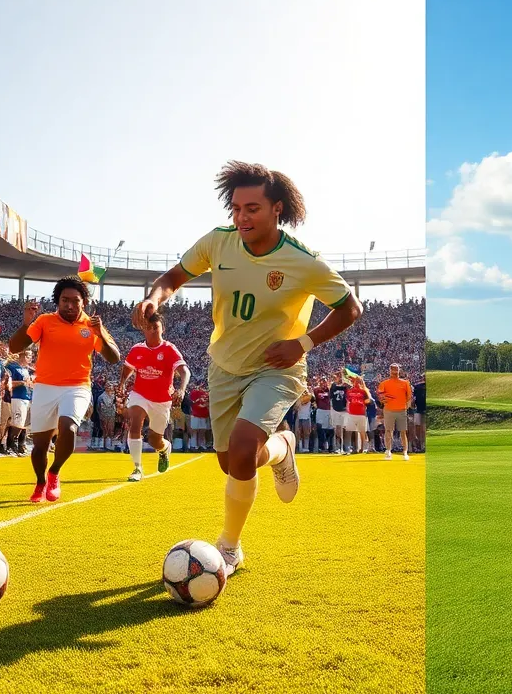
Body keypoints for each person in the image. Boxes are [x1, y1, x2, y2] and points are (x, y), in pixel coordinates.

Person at [133, 160, 361, 576]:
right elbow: (174, 275)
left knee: (240, 451)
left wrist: (303, 342)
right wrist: (155, 299)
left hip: (277, 368)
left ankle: (230, 548)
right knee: (233, 462)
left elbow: (350, 308)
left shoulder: (304, 260)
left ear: (277, 208)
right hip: (224, 365)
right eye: (236, 209)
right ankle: (282, 449)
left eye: (252, 208)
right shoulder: (218, 242)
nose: (241, 217)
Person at [10, 277, 121, 502]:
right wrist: (26, 323)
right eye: (64, 300)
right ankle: (41, 482)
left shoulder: (92, 325)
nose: (69, 305)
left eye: (75, 301)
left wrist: (100, 334)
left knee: (68, 427)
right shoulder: (44, 321)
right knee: (39, 446)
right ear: (57, 301)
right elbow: (14, 347)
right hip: (45, 387)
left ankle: (54, 472)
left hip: (77, 386)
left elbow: (113, 358)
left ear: (84, 302)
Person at [120, 311, 189, 481]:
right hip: (139, 394)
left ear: (162, 329)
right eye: (148, 328)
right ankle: (137, 468)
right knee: (135, 423)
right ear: (143, 330)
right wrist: (122, 383)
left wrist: (181, 389)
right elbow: (128, 367)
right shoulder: (137, 349)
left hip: (162, 400)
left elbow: (184, 371)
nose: (152, 331)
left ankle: (164, 449)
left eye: (155, 327)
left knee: (154, 439)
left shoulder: (169, 349)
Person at [377, 363, 412, 460]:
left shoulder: (405, 383)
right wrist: (382, 399)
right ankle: (388, 451)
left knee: (403, 432)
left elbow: (409, 397)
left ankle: (405, 452)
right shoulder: (384, 383)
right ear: (389, 370)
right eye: (393, 369)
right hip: (389, 410)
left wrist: (406, 408)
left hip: (401, 410)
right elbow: (380, 396)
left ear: (399, 370)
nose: (394, 371)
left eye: (396, 369)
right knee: (388, 431)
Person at [6, 350, 34, 455]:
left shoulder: (25, 370)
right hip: (17, 398)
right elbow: (8, 383)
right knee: (17, 424)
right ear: (22, 356)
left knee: (23, 425)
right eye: (29, 356)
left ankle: (18, 445)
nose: (31, 358)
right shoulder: (13, 367)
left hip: (27, 398)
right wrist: (22, 383)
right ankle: (10, 445)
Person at [328, 369, 349, 454]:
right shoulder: (333, 386)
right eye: (337, 376)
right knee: (337, 429)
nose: (338, 377)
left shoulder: (346, 386)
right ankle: (338, 447)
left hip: (344, 409)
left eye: (340, 376)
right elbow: (331, 397)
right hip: (335, 409)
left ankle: (346, 446)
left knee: (345, 428)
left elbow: (348, 396)